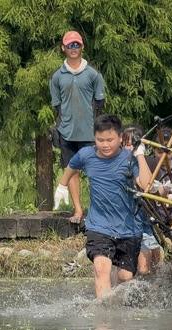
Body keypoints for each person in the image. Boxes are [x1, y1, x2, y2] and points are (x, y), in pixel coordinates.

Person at [53, 115, 153, 299]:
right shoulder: (86, 155)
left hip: (129, 228)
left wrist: (140, 156)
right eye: (100, 140)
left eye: (110, 140)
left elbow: (146, 185)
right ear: (94, 138)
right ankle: (103, 320)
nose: (105, 145)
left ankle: (119, 309)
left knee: (125, 276)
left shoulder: (129, 159)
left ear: (120, 138)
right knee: (101, 268)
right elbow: (71, 166)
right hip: (99, 226)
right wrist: (62, 185)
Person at [50, 30, 106, 218]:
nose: (73, 48)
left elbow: (99, 105)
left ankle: (98, 211)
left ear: (82, 47)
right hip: (67, 132)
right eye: (69, 45)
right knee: (71, 172)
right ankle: (78, 210)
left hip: (89, 133)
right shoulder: (57, 76)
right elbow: (57, 106)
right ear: (63, 48)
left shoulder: (93, 75)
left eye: (76, 45)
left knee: (95, 172)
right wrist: (59, 128)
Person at [132, 127, 172, 275]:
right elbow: (142, 185)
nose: (164, 156)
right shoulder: (149, 165)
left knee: (165, 264)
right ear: (153, 150)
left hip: (170, 221)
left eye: (168, 152)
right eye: (160, 151)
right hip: (149, 219)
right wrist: (161, 191)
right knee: (144, 267)